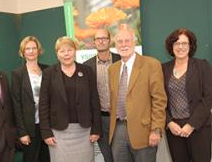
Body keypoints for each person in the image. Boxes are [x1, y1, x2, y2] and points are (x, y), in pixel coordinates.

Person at [39, 36, 102, 162]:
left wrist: (96, 129)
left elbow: (94, 101)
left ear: (75, 51)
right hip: (58, 132)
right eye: (62, 51)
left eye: (69, 50)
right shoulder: (49, 73)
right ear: (57, 54)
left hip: (84, 131)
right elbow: (43, 104)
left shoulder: (87, 71)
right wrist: (46, 132)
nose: (66, 54)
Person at [108, 28, 167, 162]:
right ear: (115, 45)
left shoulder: (151, 64)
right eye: (119, 41)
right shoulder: (112, 69)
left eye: (127, 40)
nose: (123, 44)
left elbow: (159, 99)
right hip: (118, 129)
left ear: (134, 43)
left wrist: (156, 129)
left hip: (144, 130)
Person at [163, 28, 212, 162]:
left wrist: (191, 125)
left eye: (184, 43)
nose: (180, 47)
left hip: (199, 128)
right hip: (174, 129)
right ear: (171, 46)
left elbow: (208, 98)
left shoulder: (202, 66)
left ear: (191, 46)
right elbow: (160, 100)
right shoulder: (163, 69)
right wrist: (169, 123)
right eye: (176, 43)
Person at [11, 36, 50, 162]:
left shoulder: (47, 70)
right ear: (23, 52)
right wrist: (22, 133)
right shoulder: (18, 74)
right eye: (27, 48)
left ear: (39, 50)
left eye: (34, 48)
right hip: (29, 128)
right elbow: (16, 105)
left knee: (47, 158)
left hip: (46, 127)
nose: (31, 51)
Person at [84, 28, 120, 162]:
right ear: (94, 42)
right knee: (108, 156)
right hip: (100, 119)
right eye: (98, 39)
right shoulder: (87, 66)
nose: (101, 41)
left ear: (109, 41)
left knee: (122, 155)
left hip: (120, 118)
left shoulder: (121, 60)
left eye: (104, 38)